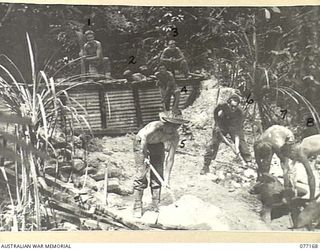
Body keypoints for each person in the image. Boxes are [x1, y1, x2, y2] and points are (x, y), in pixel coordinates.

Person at [132, 114, 185, 218]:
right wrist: (145, 156)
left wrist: (167, 180)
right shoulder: (155, 127)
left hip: (157, 144)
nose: (174, 129)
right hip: (141, 142)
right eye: (172, 126)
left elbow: (170, 158)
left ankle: (155, 204)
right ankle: (137, 205)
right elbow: (143, 140)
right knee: (141, 174)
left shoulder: (175, 136)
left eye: (177, 126)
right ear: (166, 124)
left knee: (158, 174)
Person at [200, 94, 253, 175]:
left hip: (233, 126)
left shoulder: (240, 113)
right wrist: (217, 124)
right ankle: (206, 166)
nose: (233, 108)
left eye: (235, 106)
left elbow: (237, 133)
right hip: (222, 123)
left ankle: (248, 162)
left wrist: (237, 149)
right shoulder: (222, 106)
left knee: (241, 142)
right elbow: (215, 113)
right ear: (228, 103)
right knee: (213, 143)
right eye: (231, 106)